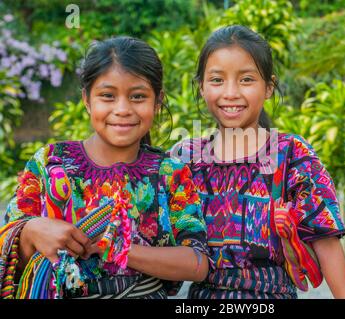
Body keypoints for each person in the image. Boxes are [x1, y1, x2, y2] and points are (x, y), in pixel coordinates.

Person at [0, 36, 209, 299]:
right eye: (107, 96)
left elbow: (198, 264)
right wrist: (32, 231)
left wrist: (117, 248)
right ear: (87, 99)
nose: (122, 109)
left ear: (157, 102)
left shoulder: (170, 173)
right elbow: (8, 247)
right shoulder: (50, 163)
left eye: (138, 96)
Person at [171, 25, 345, 299]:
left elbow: (325, 241)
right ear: (201, 87)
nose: (231, 92)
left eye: (246, 80)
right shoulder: (185, 159)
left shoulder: (292, 155)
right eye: (217, 80)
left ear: (268, 87)